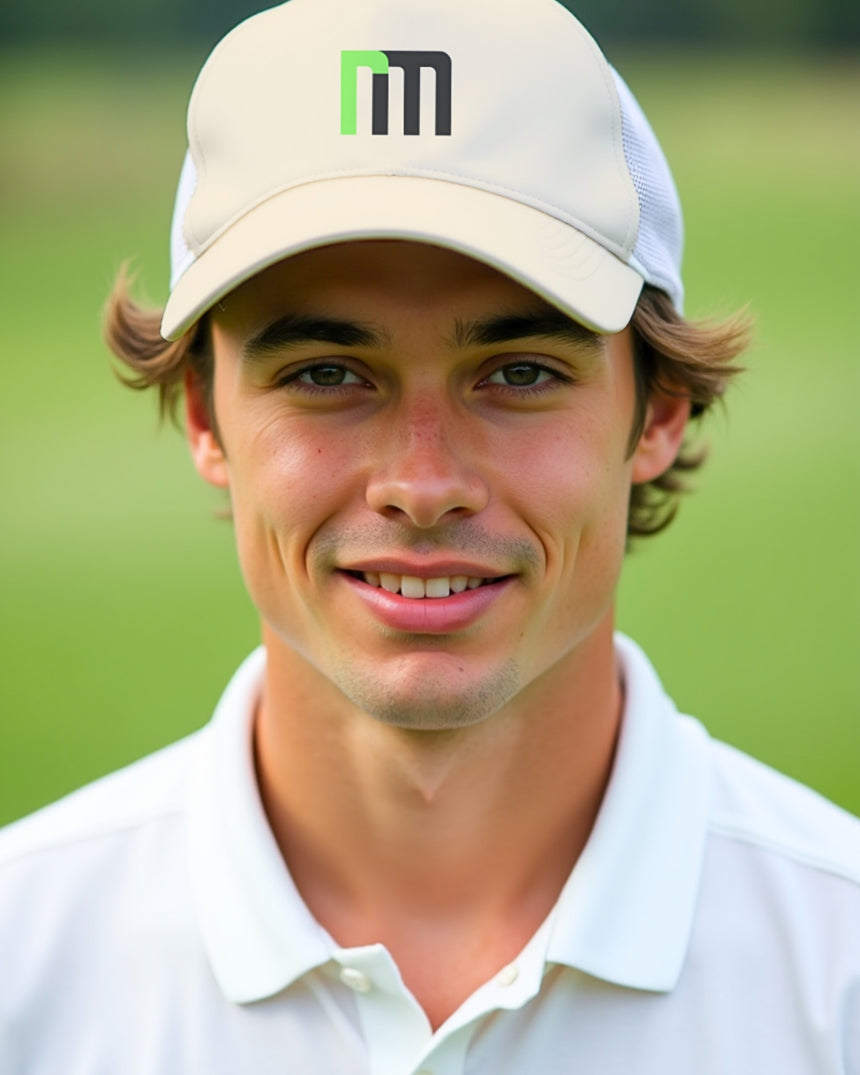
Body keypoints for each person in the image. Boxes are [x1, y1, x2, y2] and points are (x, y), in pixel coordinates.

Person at [1, 0, 857, 1071]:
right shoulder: (23, 963)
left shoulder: (837, 970)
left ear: (658, 411)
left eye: (518, 372)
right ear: (206, 415)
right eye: (326, 373)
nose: (421, 484)